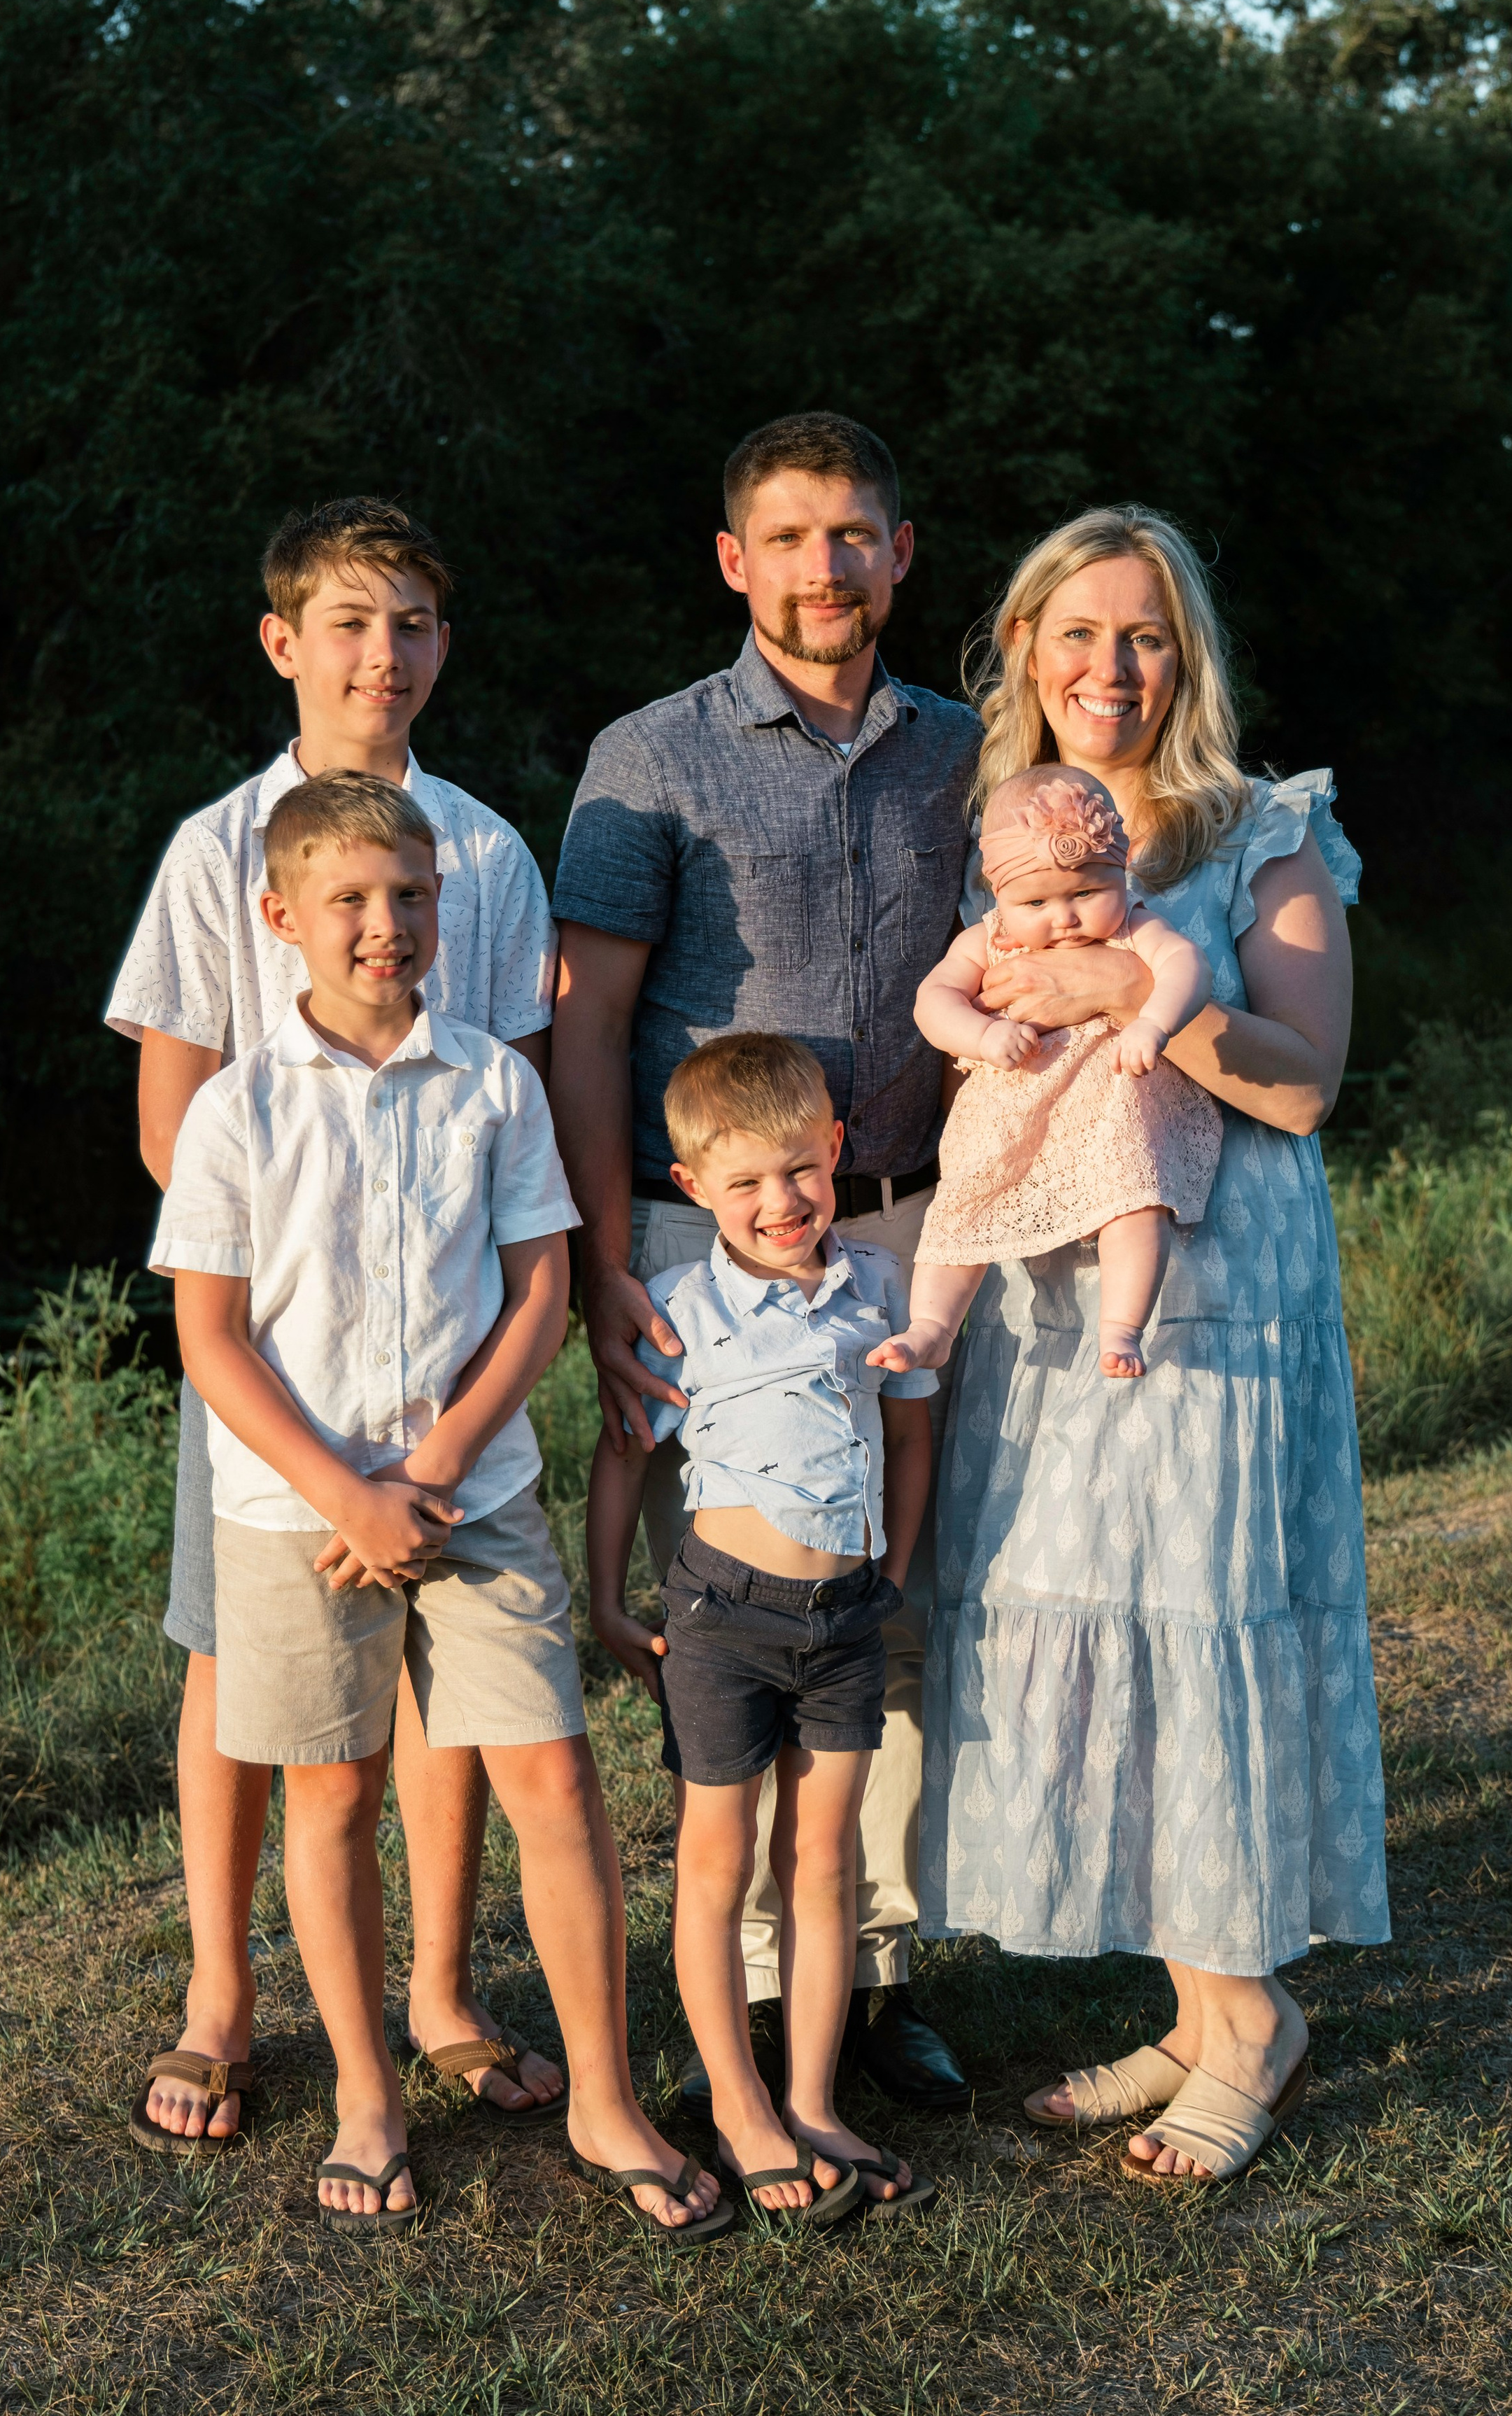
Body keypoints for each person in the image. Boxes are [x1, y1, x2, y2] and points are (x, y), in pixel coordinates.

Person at [150, 769, 728, 2235]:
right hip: (297, 1517)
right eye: (348, 900)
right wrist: (350, 1488)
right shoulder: (234, 1111)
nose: (383, 925)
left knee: (549, 1773)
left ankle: (605, 2095)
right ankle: (366, 2089)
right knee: (331, 1794)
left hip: (477, 1497)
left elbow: (539, 1292)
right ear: (280, 916)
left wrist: (433, 1469)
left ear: (441, 906)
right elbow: (211, 1337)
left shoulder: (491, 1082)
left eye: (408, 897)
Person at [919, 504, 1390, 2189]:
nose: (1107, 667)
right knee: (1096, 1624)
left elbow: (1302, 1078)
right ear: (1022, 649)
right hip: (1048, 1301)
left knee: (1198, 1626)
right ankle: (1192, 2006)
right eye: (1075, 631)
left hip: (1215, 1288)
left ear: (1182, 654)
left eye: (1143, 634)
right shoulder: (1000, 829)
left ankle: (1252, 2017)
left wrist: (1135, 990)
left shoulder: (1260, 826)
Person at [108, 498, 565, 2152]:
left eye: (416, 625)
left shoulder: (491, 854)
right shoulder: (216, 848)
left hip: (447, 1357)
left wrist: (451, 1359)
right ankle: (222, 1999)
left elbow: (506, 1092)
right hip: (268, 1354)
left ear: (444, 647)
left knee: (440, 1680)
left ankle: (440, 1991)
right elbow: (174, 1119)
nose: (385, 655)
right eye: (352, 622)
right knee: (245, 1669)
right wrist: (278, 1280)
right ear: (282, 640)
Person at [549, 412, 977, 2111]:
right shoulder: (649, 755)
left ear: (897, 550)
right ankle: (730, 1994)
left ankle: (866, 1984)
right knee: (726, 1606)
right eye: (789, 536)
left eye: (853, 533)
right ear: (734, 560)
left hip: (904, 1217)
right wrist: (602, 1266)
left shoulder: (960, 746)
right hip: (698, 1233)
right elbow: (583, 1037)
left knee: (881, 1600)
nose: (825, 565)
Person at [587, 1034, 939, 2221]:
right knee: (718, 1861)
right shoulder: (681, 1314)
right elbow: (623, 1454)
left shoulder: (882, 1292)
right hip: (723, 1618)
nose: (780, 1201)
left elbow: (910, 1432)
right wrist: (605, 1601)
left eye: (799, 1169)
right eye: (745, 1183)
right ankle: (737, 2105)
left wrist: (891, 1558)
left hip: (845, 1616)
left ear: (834, 1148)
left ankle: (816, 2099)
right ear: (692, 1189)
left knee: (825, 1862)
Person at [884, 764, 1220, 1382]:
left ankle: (1122, 1328)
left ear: (1119, 873)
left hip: (1113, 1115)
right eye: (1035, 902)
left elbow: (1187, 966)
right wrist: (982, 1034)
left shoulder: (1134, 927)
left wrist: (1154, 1024)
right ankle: (931, 1328)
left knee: (1138, 1202)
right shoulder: (988, 941)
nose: (1063, 917)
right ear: (997, 895)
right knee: (962, 1205)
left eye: (1086, 894)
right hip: (1010, 1117)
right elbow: (931, 1003)